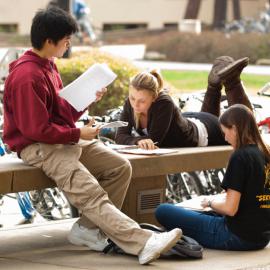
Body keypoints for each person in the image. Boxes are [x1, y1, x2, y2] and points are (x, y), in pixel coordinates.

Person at [2, 7, 181, 265]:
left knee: (119, 167)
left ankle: (86, 229)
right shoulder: (27, 76)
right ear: (49, 41)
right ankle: (141, 242)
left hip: (60, 139)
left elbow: (60, 112)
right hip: (38, 146)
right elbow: (35, 130)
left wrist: (86, 100)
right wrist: (77, 133)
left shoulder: (48, 66)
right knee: (89, 190)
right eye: (66, 39)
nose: (69, 44)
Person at [155, 104, 270, 250]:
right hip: (262, 236)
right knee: (192, 212)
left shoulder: (240, 156)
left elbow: (230, 209)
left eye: (225, 132)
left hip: (236, 236)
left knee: (163, 210)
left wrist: (209, 202)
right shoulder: (266, 152)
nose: (226, 138)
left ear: (235, 129)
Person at [115, 56, 253, 150]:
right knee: (213, 116)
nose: (135, 105)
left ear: (154, 97)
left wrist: (134, 140)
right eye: (132, 98)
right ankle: (214, 85)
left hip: (205, 131)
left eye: (142, 101)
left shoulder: (163, 103)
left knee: (247, 131)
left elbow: (156, 141)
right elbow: (119, 136)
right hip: (189, 121)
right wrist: (137, 141)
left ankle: (232, 81)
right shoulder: (130, 103)